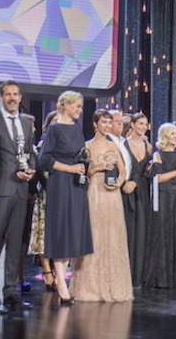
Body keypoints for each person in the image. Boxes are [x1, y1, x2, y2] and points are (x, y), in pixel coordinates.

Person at [0, 80, 37, 313]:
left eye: (16, 94)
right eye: (8, 94)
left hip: (21, 189)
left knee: (16, 243)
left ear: (20, 96)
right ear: (1, 98)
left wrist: (31, 170)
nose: (12, 98)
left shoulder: (26, 123)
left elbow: (30, 153)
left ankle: (11, 292)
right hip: (1, 188)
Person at [38, 90, 94, 304]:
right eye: (77, 106)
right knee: (61, 230)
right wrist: (70, 169)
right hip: (60, 183)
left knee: (73, 230)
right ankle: (60, 282)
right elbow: (44, 161)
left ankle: (65, 280)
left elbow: (79, 154)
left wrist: (83, 165)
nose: (80, 110)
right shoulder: (54, 129)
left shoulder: (77, 130)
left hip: (76, 184)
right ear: (66, 106)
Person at [71, 109, 133, 301]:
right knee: (94, 235)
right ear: (95, 124)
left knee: (112, 237)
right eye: (103, 122)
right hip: (94, 194)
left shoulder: (113, 146)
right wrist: (97, 167)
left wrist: (118, 183)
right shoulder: (86, 146)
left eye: (109, 123)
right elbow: (82, 173)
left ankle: (112, 284)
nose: (106, 126)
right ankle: (91, 286)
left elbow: (123, 172)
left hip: (111, 196)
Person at [141, 122, 176, 289]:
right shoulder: (158, 155)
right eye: (172, 134)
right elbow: (158, 178)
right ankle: (160, 278)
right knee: (163, 234)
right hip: (163, 198)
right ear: (165, 136)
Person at [28, 111, 59, 292]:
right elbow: (38, 168)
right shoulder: (42, 144)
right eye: (54, 121)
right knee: (43, 232)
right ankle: (47, 270)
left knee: (58, 232)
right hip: (46, 191)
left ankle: (57, 269)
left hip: (62, 191)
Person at [122, 112, 152, 288]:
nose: (143, 127)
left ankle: (139, 276)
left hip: (144, 190)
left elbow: (148, 171)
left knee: (142, 231)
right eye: (140, 123)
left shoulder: (148, 147)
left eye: (146, 124)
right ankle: (126, 274)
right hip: (127, 190)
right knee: (129, 231)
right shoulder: (123, 145)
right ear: (132, 125)